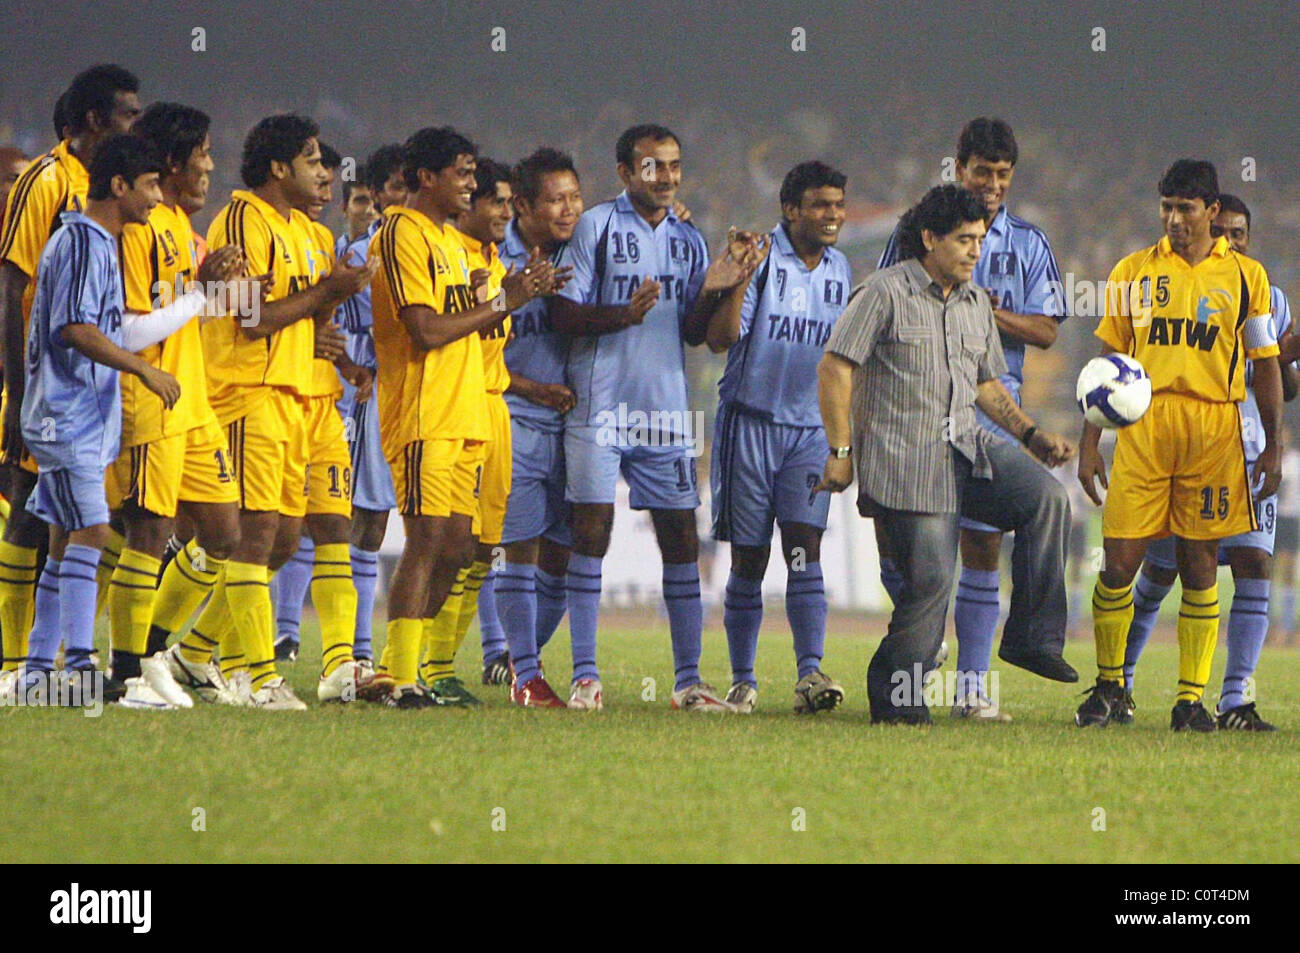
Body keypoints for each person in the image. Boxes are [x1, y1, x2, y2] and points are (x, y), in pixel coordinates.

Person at [816, 184, 1076, 725]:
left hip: (969, 445)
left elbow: (985, 382)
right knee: (933, 583)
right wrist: (841, 451)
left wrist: (1030, 436)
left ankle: (1031, 640)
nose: (975, 252)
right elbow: (836, 366)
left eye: (980, 240)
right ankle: (897, 702)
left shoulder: (976, 302)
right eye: (964, 240)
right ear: (930, 238)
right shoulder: (883, 293)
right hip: (906, 457)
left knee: (1047, 500)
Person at [13, 135, 241, 703]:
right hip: (66, 415)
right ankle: (88, 672)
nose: (156, 197)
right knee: (89, 532)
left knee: (68, 537)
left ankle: (41, 671)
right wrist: (142, 373)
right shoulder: (85, 243)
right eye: (149, 186)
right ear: (119, 186)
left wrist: (194, 299)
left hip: (77, 416)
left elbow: (116, 329)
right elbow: (78, 329)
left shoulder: (95, 240)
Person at [167, 114, 373, 710]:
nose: (324, 172)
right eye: (312, 160)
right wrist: (331, 294)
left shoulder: (310, 233)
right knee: (248, 538)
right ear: (279, 167)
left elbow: (305, 315)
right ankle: (257, 677)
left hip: (300, 395)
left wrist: (326, 338)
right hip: (247, 393)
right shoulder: (239, 220)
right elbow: (250, 318)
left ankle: (191, 653)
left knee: (283, 540)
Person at [550, 123, 755, 712]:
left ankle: (689, 681)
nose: (666, 177)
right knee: (590, 535)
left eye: (673, 166)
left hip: (665, 409)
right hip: (599, 404)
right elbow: (565, 314)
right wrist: (624, 314)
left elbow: (695, 333)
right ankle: (585, 676)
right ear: (624, 173)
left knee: (679, 541)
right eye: (652, 167)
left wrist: (718, 288)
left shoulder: (689, 238)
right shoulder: (596, 227)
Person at [1075, 160, 1281, 732]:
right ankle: (1110, 686)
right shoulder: (1131, 271)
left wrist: (1272, 444)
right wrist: (1091, 442)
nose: (1174, 220)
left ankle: (1191, 700)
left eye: (1185, 209)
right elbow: (1108, 365)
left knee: (1199, 565)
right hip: (1143, 430)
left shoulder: (1247, 278)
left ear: (1212, 212)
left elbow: (1265, 367)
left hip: (1214, 429)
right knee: (1118, 561)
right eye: (1166, 208)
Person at [877, 118, 1067, 721]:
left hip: (992, 408)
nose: (992, 184)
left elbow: (1046, 329)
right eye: (981, 172)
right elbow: (879, 315)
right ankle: (912, 665)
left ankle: (974, 684)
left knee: (987, 542)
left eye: (1002, 175)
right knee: (919, 562)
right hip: (920, 412)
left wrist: (991, 315)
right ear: (959, 168)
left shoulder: (1029, 244)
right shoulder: (918, 233)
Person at [366, 126, 555, 708]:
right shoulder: (401, 232)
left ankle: (418, 668)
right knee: (426, 542)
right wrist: (505, 301)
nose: (472, 185)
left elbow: (466, 325)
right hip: (423, 408)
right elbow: (424, 331)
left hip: (464, 409)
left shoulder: (447, 242)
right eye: (463, 173)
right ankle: (397, 677)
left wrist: (492, 300)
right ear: (427, 177)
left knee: (455, 547)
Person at [0, 64, 140, 679]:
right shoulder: (47, 181)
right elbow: (12, 286)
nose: (136, 122)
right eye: (128, 113)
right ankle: (26, 663)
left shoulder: (107, 191)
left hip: (86, 391)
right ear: (94, 120)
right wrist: (17, 391)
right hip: (47, 384)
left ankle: (38, 663)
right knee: (41, 518)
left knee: (61, 521)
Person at [103, 102, 244, 709]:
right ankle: (127, 673)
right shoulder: (138, 228)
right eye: (203, 154)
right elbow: (131, 329)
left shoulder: (186, 231)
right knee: (146, 530)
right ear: (170, 162)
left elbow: (192, 312)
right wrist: (203, 289)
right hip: (149, 394)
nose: (211, 166)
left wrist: (222, 291)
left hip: (193, 399)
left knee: (223, 530)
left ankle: (155, 650)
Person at [705, 160, 851, 714]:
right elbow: (719, 340)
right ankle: (743, 681)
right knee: (749, 557)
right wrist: (739, 282)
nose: (832, 214)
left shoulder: (840, 268)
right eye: (820, 205)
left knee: (803, 548)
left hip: (810, 430)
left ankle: (810, 674)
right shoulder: (762, 258)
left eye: (837, 204)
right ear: (791, 210)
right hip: (750, 423)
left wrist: (843, 437)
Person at [494, 147, 583, 707]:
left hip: (573, 427)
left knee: (566, 555)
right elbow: (472, 348)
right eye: (555, 199)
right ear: (524, 204)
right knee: (519, 548)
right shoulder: (490, 258)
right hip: (516, 420)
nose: (568, 209)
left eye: (574, 197)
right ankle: (526, 675)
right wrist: (534, 390)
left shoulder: (585, 253)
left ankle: (519, 660)